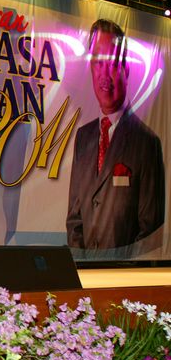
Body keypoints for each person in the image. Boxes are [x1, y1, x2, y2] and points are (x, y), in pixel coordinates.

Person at [66, 19, 165, 250]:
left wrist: (120, 266)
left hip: (123, 269)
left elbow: (150, 230)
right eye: (98, 62)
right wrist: (83, 262)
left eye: (112, 63)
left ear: (125, 69)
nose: (104, 74)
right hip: (86, 269)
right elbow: (74, 219)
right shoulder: (83, 137)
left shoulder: (147, 143)